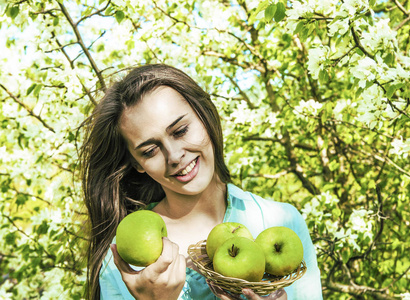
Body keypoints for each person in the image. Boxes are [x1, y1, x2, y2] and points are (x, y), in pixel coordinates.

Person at [79, 64, 323, 300]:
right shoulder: (124, 262)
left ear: (205, 116)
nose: (174, 156)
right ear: (137, 164)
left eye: (181, 130)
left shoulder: (281, 220)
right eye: (151, 150)